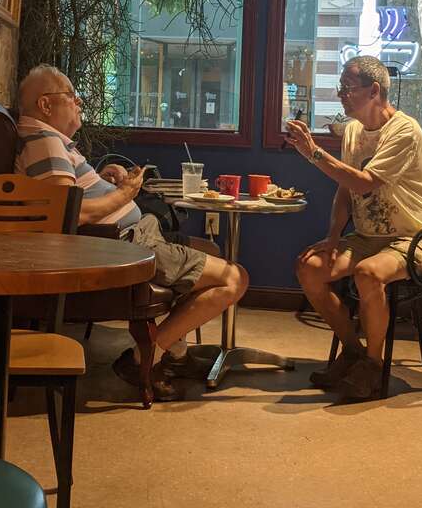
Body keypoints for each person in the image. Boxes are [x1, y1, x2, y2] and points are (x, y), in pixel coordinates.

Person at [15, 64, 248, 401]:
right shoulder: (46, 144)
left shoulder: (50, 142)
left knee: (210, 254)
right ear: (45, 105)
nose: (79, 102)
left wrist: (102, 179)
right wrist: (126, 194)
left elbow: (70, 195)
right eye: (71, 96)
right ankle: (143, 359)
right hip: (126, 244)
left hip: (135, 235)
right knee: (235, 279)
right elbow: (69, 214)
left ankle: (175, 355)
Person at [286, 56, 422, 401]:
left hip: (415, 237)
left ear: (374, 91)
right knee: (309, 268)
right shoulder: (354, 130)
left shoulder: (405, 131)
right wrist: (332, 237)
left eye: (348, 88)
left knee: (368, 274)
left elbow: (364, 182)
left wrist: (313, 152)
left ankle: (372, 366)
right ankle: (353, 352)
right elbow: (345, 190)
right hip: (368, 237)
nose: (341, 94)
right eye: (340, 87)